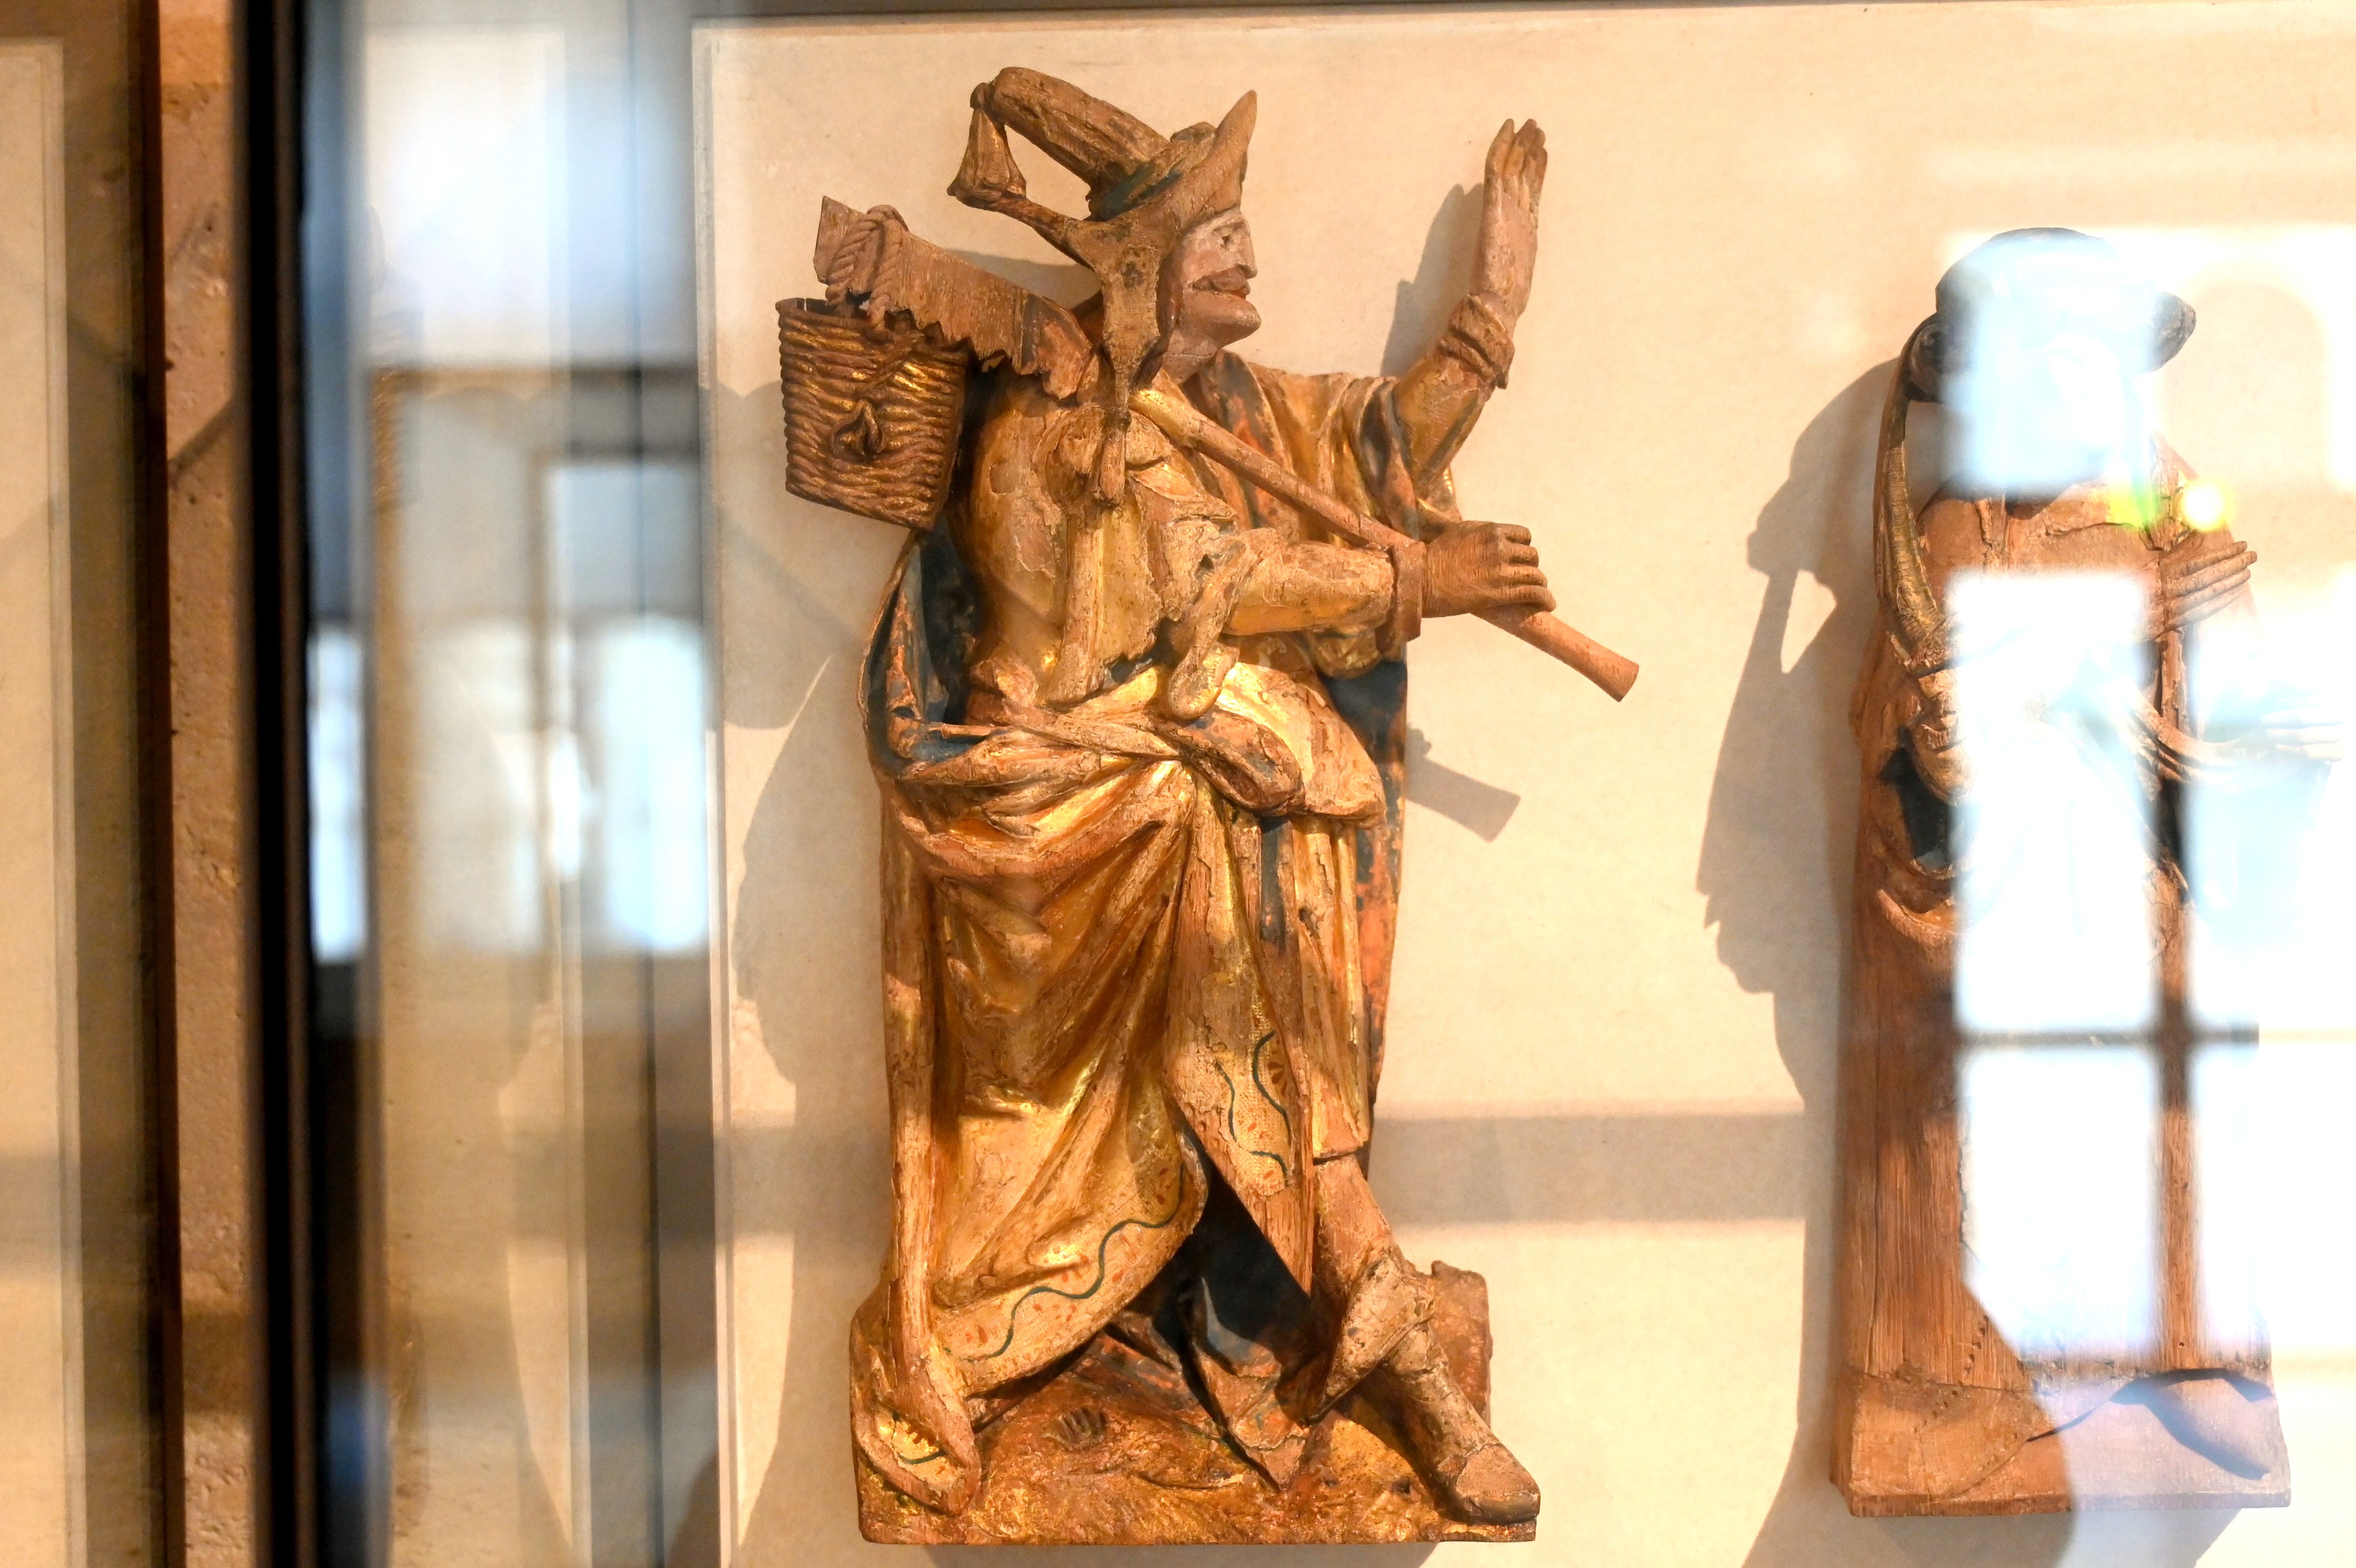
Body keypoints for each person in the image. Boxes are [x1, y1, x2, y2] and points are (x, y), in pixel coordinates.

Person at [849, 68, 1551, 1525]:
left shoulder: (1235, 407)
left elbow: (1384, 442)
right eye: (1215, 234)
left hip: (1183, 786)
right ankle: (1374, 1309)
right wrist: (1417, 582)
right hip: (1060, 805)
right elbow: (1204, 584)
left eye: (1239, 227)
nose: (1246, 252)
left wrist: (1491, 310)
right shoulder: (1058, 423)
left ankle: (1338, 1283)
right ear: (1140, 271)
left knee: (1267, 782)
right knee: (1228, 803)